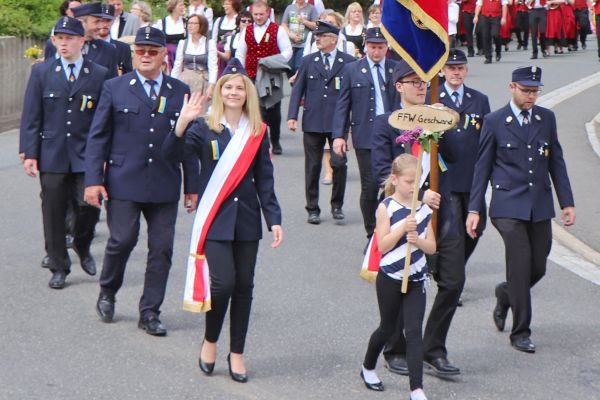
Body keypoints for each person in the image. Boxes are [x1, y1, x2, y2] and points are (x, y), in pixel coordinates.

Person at [165, 59, 282, 383]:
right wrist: (181, 123)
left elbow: (265, 179)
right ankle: (210, 340)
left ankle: (238, 352)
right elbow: (171, 155)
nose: (233, 92)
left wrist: (273, 218)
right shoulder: (204, 127)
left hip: (246, 220)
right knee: (223, 283)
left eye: (239, 88)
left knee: (244, 287)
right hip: (215, 219)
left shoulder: (257, 132)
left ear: (247, 93)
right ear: (219, 92)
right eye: (227, 87)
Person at [84, 27, 200, 335]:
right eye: (140, 51)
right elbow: (98, 137)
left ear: (164, 56)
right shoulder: (115, 87)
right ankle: (108, 290)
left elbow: (189, 142)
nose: (145, 56)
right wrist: (93, 180)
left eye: (152, 51)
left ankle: (150, 311)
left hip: (164, 181)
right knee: (122, 240)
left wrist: (192, 186)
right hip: (124, 179)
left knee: (161, 249)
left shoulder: (179, 91)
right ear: (134, 54)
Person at [466, 66, 576, 353]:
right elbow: (482, 168)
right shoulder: (494, 121)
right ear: (512, 87)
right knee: (520, 263)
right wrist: (474, 209)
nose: (531, 96)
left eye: (535, 91)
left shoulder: (545, 118)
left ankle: (506, 294)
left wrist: (566, 202)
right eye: (526, 90)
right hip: (507, 206)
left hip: (539, 205)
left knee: (538, 267)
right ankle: (521, 331)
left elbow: (556, 161)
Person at [371, 60, 461, 378]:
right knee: (402, 282)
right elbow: (381, 171)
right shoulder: (385, 123)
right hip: (404, 214)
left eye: (424, 81)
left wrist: (442, 123)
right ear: (399, 87)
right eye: (414, 82)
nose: (421, 87)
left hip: (440, 214)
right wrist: (418, 195)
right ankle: (395, 349)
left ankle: (433, 347)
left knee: (453, 282)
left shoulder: (436, 116)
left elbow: (455, 156)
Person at [20, 16, 109, 289]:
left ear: (82, 41)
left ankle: (82, 242)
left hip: (86, 154)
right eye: (59, 38)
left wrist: (105, 155)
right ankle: (59, 266)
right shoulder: (42, 71)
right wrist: (29, 152)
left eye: (69, 38)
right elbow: (32, 115)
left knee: (89, 207)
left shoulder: (99, 74)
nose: (63, 43)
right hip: (53, 153)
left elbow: (106, 119)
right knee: (53, 211)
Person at [361, 154, 435, 400]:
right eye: (408, 182)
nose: (413, 187)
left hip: (417, 277)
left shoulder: (423, 209)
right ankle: (368, 367)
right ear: (395, 180)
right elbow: (382, 245)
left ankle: (416, 389)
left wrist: (419, 241)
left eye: (417, 182)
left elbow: (432, 247)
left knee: (414, 332)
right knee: (387, 328)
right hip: (391, 276)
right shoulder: (386, 207)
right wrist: (403, 228)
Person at [332, 27, 398, 238]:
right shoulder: (352, 70)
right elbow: (343, 104)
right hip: (366, 135)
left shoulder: (396, 68)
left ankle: (390, 229)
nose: (376, 51)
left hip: (395, 134)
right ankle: (372, 233)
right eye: (372, 46)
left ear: (387, 47)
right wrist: (339, 135)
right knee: (370, 186)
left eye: (380, 47)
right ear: (365, 46)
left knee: (394, 184)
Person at [287, 21, 355, 224]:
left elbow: (354, 94)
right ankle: (312, 208)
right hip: (313, 121)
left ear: (333, 39)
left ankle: (337, 205)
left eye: (322, 36)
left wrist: (352, 123)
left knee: (339, 164)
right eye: (316, 35)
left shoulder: (348, 62)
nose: (317, 39)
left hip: (337, 123)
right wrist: (292, 116)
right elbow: (298, 89)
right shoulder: (309, 60)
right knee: (313, 166)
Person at [235, 0, 293, 155]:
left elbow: (288, 51)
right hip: (252, 75)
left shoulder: (277, 30)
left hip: (271, 75)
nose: (258, 17)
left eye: (261, 14)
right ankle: (261, 141)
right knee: (256, 109)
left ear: (267, 12)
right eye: (255, 14)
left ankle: (275, 139)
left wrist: (273, 62)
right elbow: (240, 54)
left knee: (273, 110)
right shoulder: (246, 31)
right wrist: (241, 73)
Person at [45, 2, 119, 78]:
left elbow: (112, 82)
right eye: (96, 22)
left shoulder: (108, 49)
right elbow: (46, 74)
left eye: (101, 21)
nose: (100, 26)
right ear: (81, 23)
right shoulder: (54, 45)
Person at [171, 14, 217, 100]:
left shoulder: (210, 44)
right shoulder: (183, 43)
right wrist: (172, 83)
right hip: (185, 80)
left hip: (203, 81)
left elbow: (213, 67)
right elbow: (177, 65)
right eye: (189, 23)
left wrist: (211, 86)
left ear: (201, 26)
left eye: (194, 23)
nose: (190, 26)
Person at [281, 0, 319, 74]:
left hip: (304, 45)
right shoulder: (289, 8)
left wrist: (304, 21)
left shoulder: (312, 8)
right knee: (288, 67)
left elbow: (316, 26)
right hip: (290, 44)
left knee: (299, 68)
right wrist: (291, 35)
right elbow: (284, 24)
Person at [97, 4, 133, 75]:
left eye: (108, 20)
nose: (105, 24)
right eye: (102, 20)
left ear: (113, 21)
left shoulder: (123, 48)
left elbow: (128, 76)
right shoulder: (86, 46)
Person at [153, 0, 187, 72]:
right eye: (181, 5)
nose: (183, 7)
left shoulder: (185, 23)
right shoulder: (162, 23)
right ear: (173, 7)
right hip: (167, 58)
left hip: (182, 57)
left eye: (183, 5)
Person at [213, 0, 242, 77]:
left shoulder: (240, 20)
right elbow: (214, 39)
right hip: (220, 56)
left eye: (227, 4)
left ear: (234, 5)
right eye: (224, 4)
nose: (224, 6)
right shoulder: (219, 20)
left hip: (233, 56)